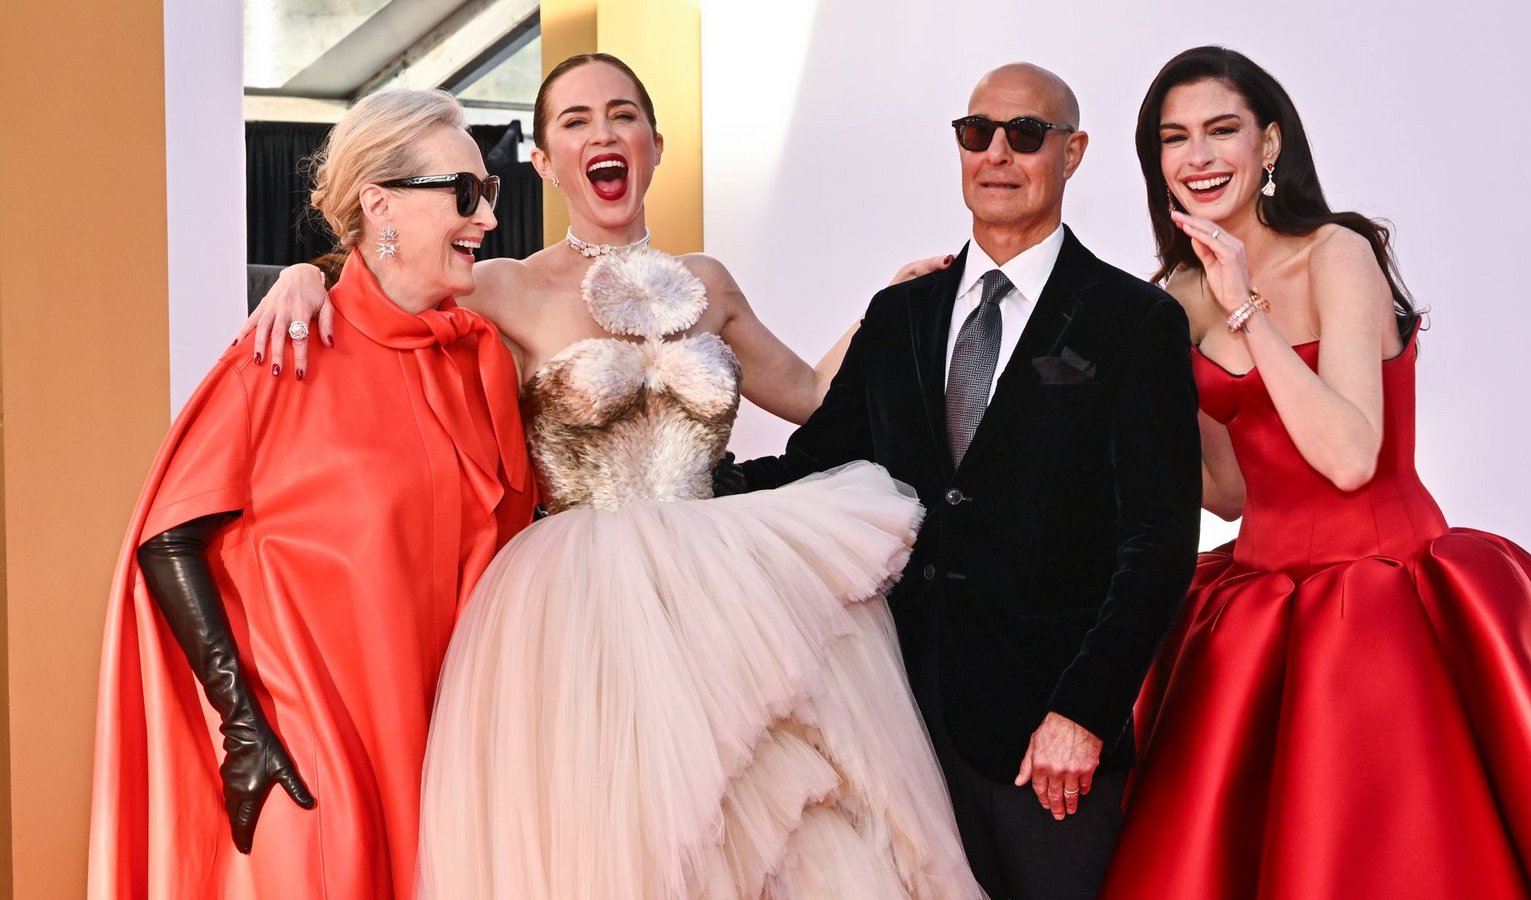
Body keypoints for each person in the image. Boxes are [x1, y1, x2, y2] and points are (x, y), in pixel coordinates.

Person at [245, 53, 982, 899]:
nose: (604, 131)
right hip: (581, 605)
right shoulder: (501, 284)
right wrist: (304, 275)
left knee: (773, 830)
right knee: (628, 841)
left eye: (623, 114)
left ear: (655, 145)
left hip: (725, 590)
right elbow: (384, 293)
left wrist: (884, 307)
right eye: (575, 120)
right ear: (543, 162)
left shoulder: (710, 284)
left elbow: (814, 396)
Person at [1097, 46, 1531, 899]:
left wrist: (1245, 309)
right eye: (1175, 139)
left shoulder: (1337, 252)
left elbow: (1348, 454)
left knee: (1390, 852)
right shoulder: (1175, 300)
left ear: (1270, 144)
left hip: (1387, 594)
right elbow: (1227, 491)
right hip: (1257, 596)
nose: (1200, 156)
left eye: (1223, 129)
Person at [728, 62, 1202, 900]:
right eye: (975, 133)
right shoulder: (900, 315)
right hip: (899, 721)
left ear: (1073, 151)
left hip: (1046, 740)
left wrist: (1084, 713)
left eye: (1025, 135)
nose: (997, 155)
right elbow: (814, 470)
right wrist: (665, 487)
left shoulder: (1135, 322)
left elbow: (1159, 543)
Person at [87, 89, 535, 899]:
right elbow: (169, 535)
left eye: (491, 193)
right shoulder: (288, 346)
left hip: (449, 756)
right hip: (316, 758)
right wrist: (244, 727)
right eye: (465, 195)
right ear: (380, 204)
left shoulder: (479, 362)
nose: (488, 220)